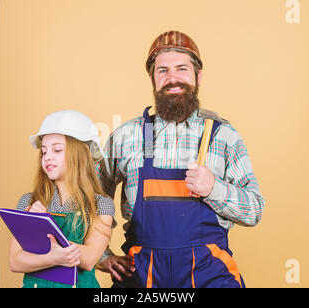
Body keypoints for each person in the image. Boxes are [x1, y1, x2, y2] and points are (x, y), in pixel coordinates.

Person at [96, 31, 265, 288]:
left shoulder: (224, 136)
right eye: (162, 70)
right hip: (142, 277)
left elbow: (254, 210)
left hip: (209, 275)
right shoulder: (125, 136)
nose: (172, 78)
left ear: (198, 76)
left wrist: (213, 189)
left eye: (181, 69)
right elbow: (91, 199)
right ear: (152, 78)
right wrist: (101, 255)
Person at [9, 110, 115, 288]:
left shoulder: (101, 205)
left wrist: (44, 227)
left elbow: (88, 258)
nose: (47, 156)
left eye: (57, 149)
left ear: (80, 155)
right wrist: (53, 257)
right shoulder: (30, 202)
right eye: (44, 152)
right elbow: (16, 260)